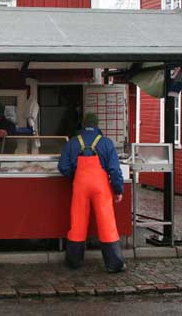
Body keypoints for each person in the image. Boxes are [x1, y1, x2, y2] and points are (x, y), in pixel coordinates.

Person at [58, 112, 126, 272]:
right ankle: (114, 264)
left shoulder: (73, 142)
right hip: (100, 188)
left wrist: (76, 176)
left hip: (80, 187)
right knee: (106, 223)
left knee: (78, 223)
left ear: (83, 124)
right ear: (97, 125)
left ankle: (74, 261)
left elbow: (63, 166)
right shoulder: (106, 143)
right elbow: (114, 170)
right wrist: (118, 189)